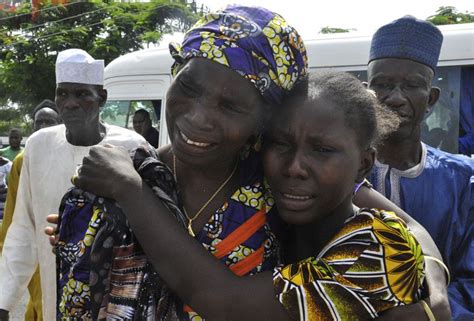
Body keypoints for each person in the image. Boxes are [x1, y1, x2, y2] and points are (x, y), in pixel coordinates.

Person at [52, 5, 448, 320]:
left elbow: (228, 304)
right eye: (188, 87)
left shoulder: (283, 186)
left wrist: (433, 275)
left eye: (231, 105)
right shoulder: (114, 183)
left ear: (263, 117)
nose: (199, 117)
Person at [0, 48, 147, 321]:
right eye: (63, 94)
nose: (69, 103)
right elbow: (23, 228)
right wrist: (4, 300)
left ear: (101, 98)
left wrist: (87, 232)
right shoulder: (38, 146)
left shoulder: (132, 147)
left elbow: (150, 222)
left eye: (81, 94)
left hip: (114, 292)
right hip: (53, 290)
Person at [366, 15, 474, 320]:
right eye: (383, 84)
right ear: (366, 91)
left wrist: (424, 312)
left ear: (431, 99)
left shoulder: (463, 181)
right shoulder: (339, 173)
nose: (396, 97)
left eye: (412, 85)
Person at [0, 99, 61, 321]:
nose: (44, 126)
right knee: (41, 306)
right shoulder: (21, 160)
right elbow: (13, 218)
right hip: (36, 251)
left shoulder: (77, 155)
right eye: (39, 122)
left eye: (50, 122)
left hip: (70, 251)